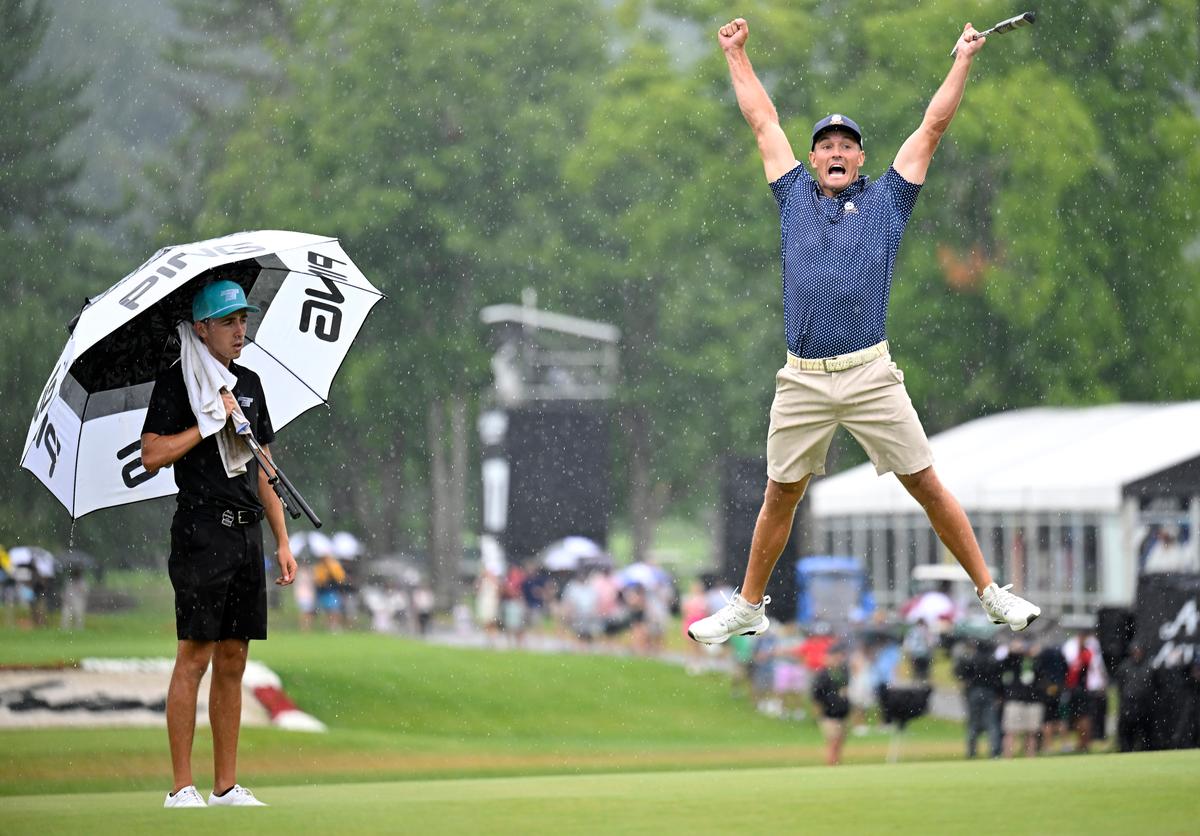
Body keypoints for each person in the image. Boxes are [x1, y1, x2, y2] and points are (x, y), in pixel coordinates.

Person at [688, 18, 1040, 645]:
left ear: (860, 158)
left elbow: (932, 127)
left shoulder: (889, 200)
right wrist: (736, 54)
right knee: (780, 496)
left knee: (926, 485)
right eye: (825, 144)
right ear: (815, 155)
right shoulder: (793, 193)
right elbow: (764, 121)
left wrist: (961, 57)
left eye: (846, 145)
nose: (835, 152)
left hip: (869, 372)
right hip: (803, 377)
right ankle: (748, 605)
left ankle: (991, 594)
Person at [140, 279, 296, 808]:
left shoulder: (250, 383)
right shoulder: (176, 384)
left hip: (246, 533)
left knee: (235, 657)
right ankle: (181, 786)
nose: (239, 330)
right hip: (201, 530)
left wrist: (282, 540)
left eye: (243, 320)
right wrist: (207, 425)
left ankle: (225, 785)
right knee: (195, 655)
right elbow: (152, 455)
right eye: (228, 322)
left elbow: (264, 469)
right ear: (201, 328)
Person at [954, 639, 1002, 759]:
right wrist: (999, 694)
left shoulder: (971, 659)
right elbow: (998, 679)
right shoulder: (993, 661)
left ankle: (971, 752)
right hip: (990, 692)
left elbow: (959, 672)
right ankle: (994, 752)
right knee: (992, 723)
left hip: (974, 692)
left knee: (973, 723)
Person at [811, 643, 852, 765]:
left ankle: (836, 763)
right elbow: (816, 695)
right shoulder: (823, 674)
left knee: (840, 741)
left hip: (842, 712)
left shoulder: (844, 673)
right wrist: (818, 712)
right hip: (828, 713)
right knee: (833, 741)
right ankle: (831, 764)